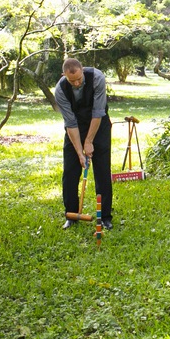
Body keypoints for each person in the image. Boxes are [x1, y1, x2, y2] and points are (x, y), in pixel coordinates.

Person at [55, 58, 114, 229]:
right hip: (75, 128)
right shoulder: (60, 90)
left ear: (82, 69)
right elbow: (70, 123)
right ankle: (71, 215)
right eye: (72, 81)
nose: (77, 83)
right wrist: (80, 152)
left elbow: (98, 112)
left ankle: (105, 216)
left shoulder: (97, 78)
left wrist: (89, 141)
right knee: (70, 171)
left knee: (102, 170)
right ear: (63, 75)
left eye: (79, 79)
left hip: (99, 124)